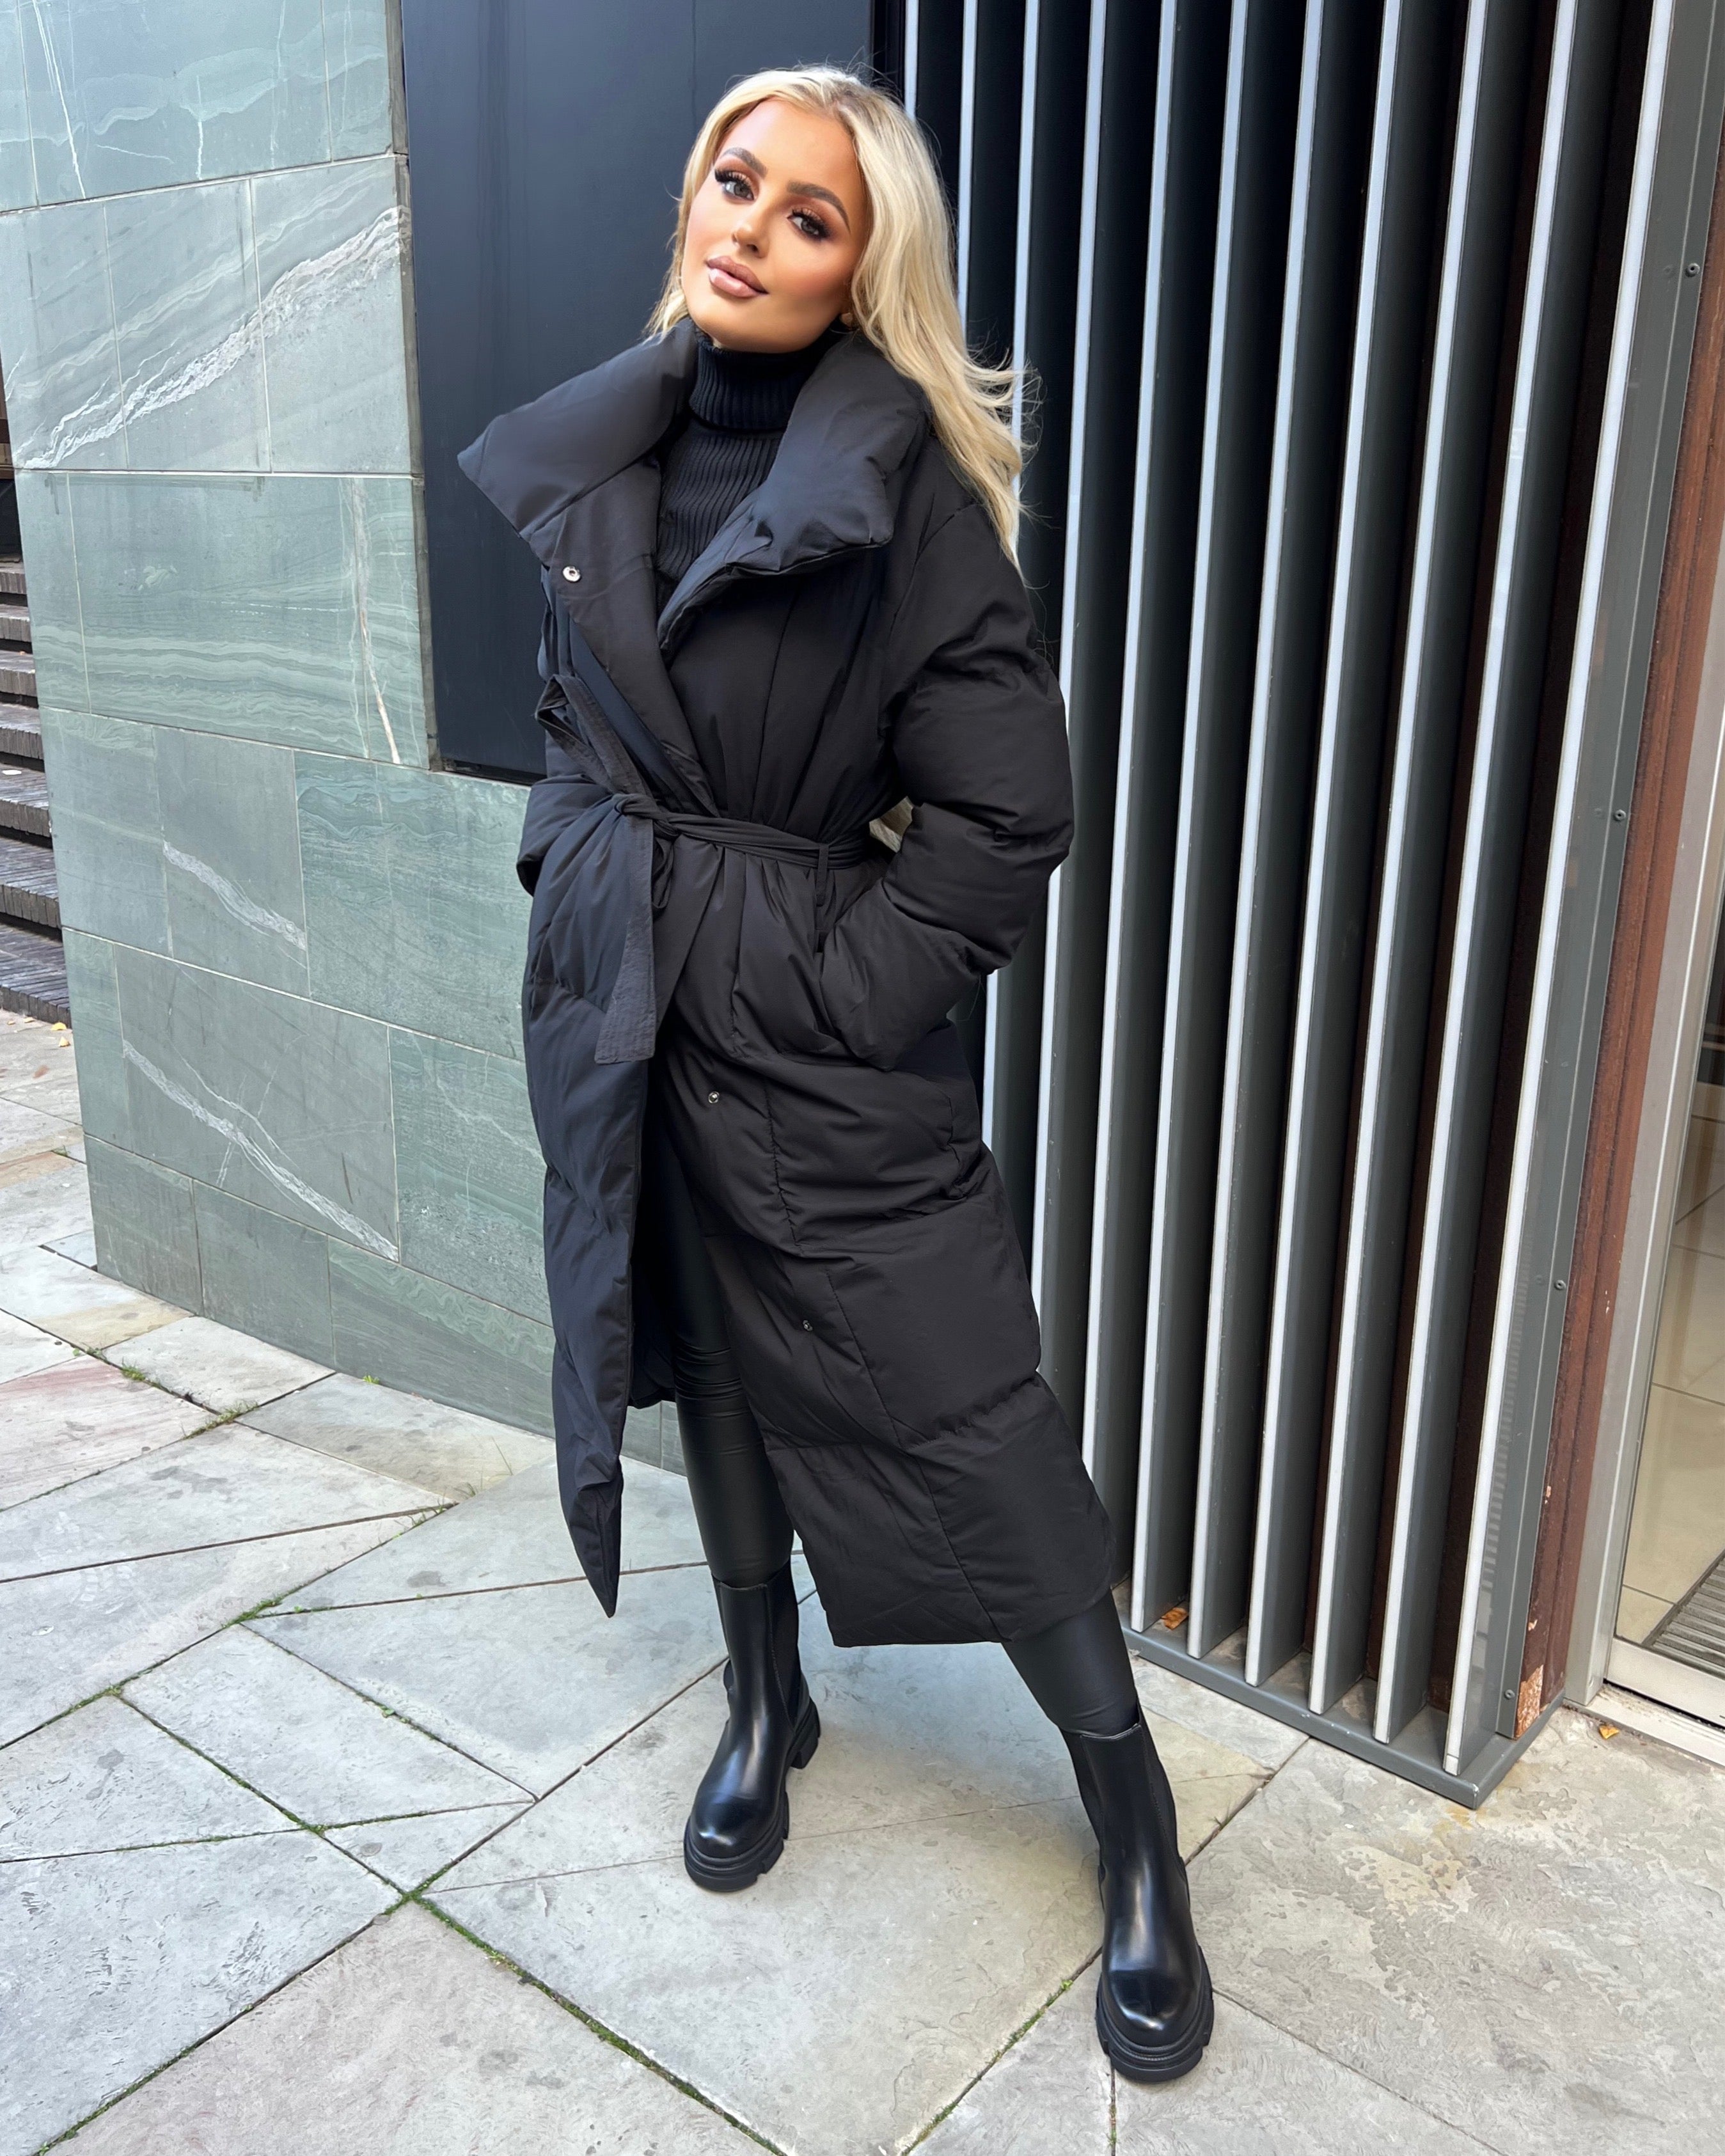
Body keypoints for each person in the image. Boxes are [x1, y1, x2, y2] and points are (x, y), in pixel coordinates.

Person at [459, 66, 1211, 2084]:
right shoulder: (606, 453)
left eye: (811, 216)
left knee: (972, 1421)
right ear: (689, 195)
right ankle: (760, 1691)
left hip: (815, 1058)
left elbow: (1004, 815)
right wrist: (571, 882)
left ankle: (1133, 1817)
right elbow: (568, 728)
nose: (753, 228)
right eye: (737, 182)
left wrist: (836, 989)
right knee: (706, 1375)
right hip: (632, 1023)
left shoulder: (904, 501)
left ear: (861, 272)